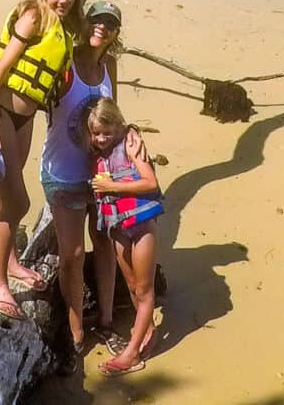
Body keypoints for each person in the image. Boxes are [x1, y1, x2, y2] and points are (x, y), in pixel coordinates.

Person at [0, 0, 82, 320]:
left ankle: (11, 261)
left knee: (5, 199)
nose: (62, 0)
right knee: (18, 202)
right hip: (0, 113)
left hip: (25, 119)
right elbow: (1, 67)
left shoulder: (62, 31)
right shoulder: (33, 15)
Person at [39, 0, 125, 354]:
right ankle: (75, 332)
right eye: (96, 19)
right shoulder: (65, 60)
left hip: (100, 177)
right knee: (72, 253)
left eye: (110, 23)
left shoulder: (110, 66)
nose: (101, 27)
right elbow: (30, 91)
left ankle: (105, 322)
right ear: (85, 21)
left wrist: (130, 144)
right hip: (63, 174)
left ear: (116, 32)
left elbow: (115, 120)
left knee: (104, 245)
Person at [89, 97, 162, 376]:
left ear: (119, 126)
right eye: (96, 134)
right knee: (131, 285)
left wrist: (111, 185)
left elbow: (150, 182)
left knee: (144, 290)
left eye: (107, 132)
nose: (102, 138)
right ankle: (149, 331)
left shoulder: (131, 146)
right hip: (118, 226)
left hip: (141, 225)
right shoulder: (96, 155)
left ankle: (131, 354)